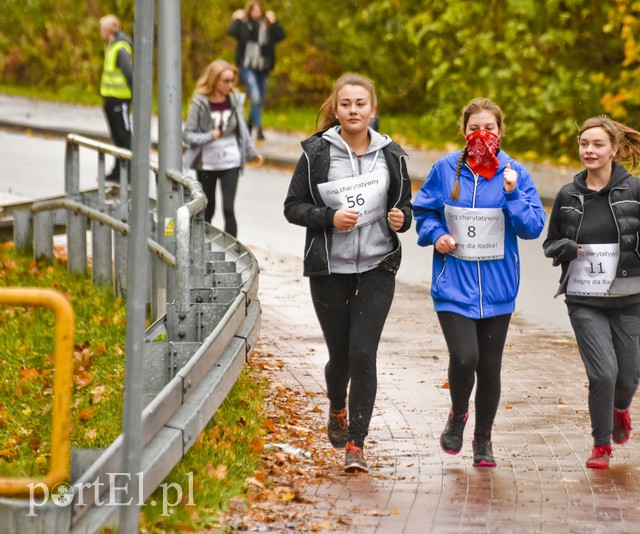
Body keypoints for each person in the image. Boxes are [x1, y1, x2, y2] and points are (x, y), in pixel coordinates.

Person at [283, 73, 413, 473]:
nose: (353, 110)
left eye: (361, 104)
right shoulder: (317, 154)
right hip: (330, 268)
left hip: (377, 266)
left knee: (363, 353)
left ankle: (356, 443)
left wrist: (400, 219)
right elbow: (293, 207)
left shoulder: (392, 155)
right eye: (346, 104)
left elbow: (406, 208)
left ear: (372, 110)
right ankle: (337, 404)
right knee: (340, 357)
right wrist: (329, 217)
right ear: (336, 109)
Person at [413, 98, 546, 468]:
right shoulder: (444, 170)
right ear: (464, 131)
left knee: (489, 366)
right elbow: (422, 211)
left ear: (500, 132)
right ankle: (458, 414)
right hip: (453, 283)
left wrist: (512, 193)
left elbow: (533, 227)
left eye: (489, 128)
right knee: (464, 356)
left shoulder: (515, 173)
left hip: (498, 289)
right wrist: (436, 234)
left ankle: (483, 440)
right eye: (474, 128)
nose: (481, 135)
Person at [543, 115, 640, 469]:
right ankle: (601, 446)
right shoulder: (568, 194)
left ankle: (621, 409)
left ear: (614, 149)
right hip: (584, 299)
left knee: (627, 377)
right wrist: (566, 248)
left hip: (629, 297)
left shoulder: (635, 189)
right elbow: (550, 243)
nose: (589, 150)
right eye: (584, 144)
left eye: (598, 145)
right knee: (602, 374)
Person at [182, 59, 263, 237]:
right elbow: (187, 135)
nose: (230, 85)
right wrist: (209, 135)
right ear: (214, 80)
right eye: (225, 81)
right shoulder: (200, 102)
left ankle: (233, 253)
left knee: (228, 208)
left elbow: (242, 129)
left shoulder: (234, 100)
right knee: (207, 208)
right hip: (207, 163)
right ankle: (203, 248)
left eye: (232, 81)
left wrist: (251, 152)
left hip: (230, 161)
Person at [227, 1, 285, 141]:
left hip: (263, 68)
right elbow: (232, 32)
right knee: (255, 97)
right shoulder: (244, 24)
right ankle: (258, 130)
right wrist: (236, 18)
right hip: (247, 67)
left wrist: (274, 21)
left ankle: (248, 125)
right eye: (254, 9)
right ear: (249, 11)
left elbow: (281, 35)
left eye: (259, 9)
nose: (256, 12)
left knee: (258, 100)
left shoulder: (267, 25)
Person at [99, 14, 133, 183]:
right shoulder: (111, 45)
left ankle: (129, 172)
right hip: (111, 99)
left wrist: (134, 95)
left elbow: (129, 73)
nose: (100, 32)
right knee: (117, 136)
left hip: (120, 100)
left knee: (124, 136)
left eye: (102, 29)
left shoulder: (120, 48)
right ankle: (118, 170)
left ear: (108, 30)